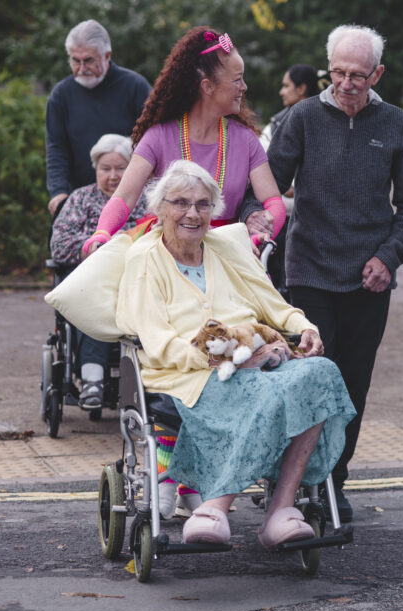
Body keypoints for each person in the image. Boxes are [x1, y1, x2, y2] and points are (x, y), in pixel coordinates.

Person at [116, 160, 355, 546]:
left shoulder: (225, 249)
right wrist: (232, 357)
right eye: (180, 203)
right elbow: (159, 344)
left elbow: (273, 303)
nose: (192, 213)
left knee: (322, 374)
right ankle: (214, 506)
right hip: (191, 375)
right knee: (269, 391)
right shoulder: (145, 260)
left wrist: (304, 328)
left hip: (258, 361)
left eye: (203, 204)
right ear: (159, 210)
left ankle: (281, 508)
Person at [243, 25, 403, 522]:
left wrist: (389, 257)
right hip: (309, 271)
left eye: (358, 76)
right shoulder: (302, 118)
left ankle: (332, 482)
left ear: (377, 74)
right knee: (306, 382)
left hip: (369, 279)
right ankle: (294, 480)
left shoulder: (394, 123)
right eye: (338, 73)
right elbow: (270, 187)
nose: (346, 84)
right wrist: (253, 219)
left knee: (351, 386)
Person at [82, 27, 286, 256]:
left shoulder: (246, 139)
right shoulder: (159, 136)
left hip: (228, 254)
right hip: (166, 254)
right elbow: (123, 198)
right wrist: (101, 233)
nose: (244, 87)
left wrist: (259, 235)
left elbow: (273, 203)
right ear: (207, 87)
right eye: (238, 80)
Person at [49, 134, 149, 408]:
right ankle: (92, 379)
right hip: (90, 279)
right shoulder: (80, 200)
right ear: (95, 169)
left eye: (121, 168)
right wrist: (92, 248)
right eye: (106, 169)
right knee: (92, 296)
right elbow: (59, 246)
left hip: (135, 278)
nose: (114, 176)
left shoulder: (146, 200)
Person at [46, 20, 152, 217]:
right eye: (75, 61)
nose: (82, 67)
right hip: (77, 202)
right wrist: (58, 192)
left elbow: (152, 144)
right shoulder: (61, 95)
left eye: (89, 60)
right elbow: (56, 148)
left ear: (107, 56)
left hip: (128, 200)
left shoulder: (135, 87)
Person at [258, 63, 320, 295]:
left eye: (286, 86)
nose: (281, 91)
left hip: (297, 217)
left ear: (302, 88)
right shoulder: (277, 123)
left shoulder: (282, 124)